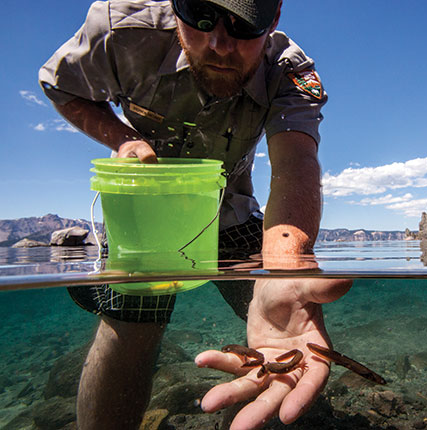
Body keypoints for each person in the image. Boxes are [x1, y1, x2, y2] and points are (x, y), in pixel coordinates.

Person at [39, 0, 352, 428]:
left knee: (287, 311)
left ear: (274, 17)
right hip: (147, 217)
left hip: (231, 211)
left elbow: (295, 161)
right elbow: (61, 85)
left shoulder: (289, 71)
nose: (219, 44)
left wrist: (285, 265)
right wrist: (123, 138)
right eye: (200, 19)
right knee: (131, 329)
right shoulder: (119, 29)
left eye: (243, 25)